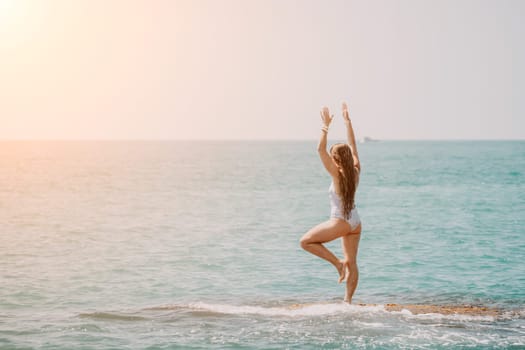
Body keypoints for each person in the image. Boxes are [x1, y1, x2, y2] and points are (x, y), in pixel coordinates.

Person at [300, 102, 362, 303]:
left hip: (340, 221)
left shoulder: (337, 174)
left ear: (335, 160)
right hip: (355, 222)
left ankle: (337, 263)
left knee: (306, 242)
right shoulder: (355, 170)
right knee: (353, 262)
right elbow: (353, 146)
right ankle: (348, 302)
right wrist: (347, 122)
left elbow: (320, 149)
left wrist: (325, 126)